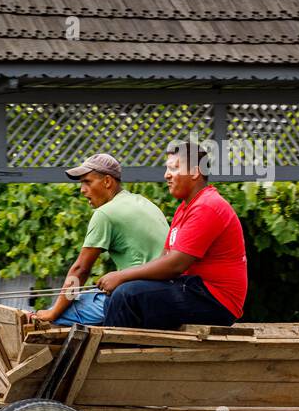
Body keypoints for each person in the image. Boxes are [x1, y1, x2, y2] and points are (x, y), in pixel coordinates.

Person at [97, 140, 248, 330]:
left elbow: (176, 264)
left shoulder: (208, 206)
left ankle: (117, 357)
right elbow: (164, 258)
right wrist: (124, 280)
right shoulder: (184, 209)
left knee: (127, 295)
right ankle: (133, 351)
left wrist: (122, 276)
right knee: (118, 295)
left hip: (216, 300)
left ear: (194, 172)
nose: (166, 175)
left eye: (174, 168)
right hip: (193, 289)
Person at [31, 153, 169, 326]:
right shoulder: (144, 202)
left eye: (87, 182)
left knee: (56, 315)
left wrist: (53, 312)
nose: (82, 190)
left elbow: (80, 270)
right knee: (81, 298)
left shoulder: (105, 213)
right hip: (164, 294)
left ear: (107, 182)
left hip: (133, 299)